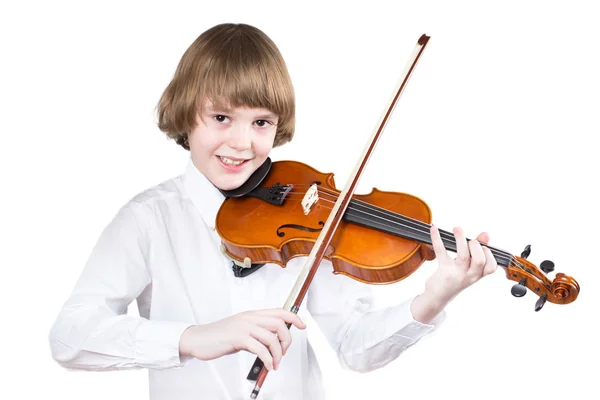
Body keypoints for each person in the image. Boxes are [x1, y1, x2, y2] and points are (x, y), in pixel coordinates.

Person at [48, 23, 498, 400]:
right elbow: (70, 337)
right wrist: (193, 338)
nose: (243, 143)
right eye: (221, 118)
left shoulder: (309, 219)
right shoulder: (149, 220)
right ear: (184, 114)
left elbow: (356, 348)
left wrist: (434, 296)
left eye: (260, 122)